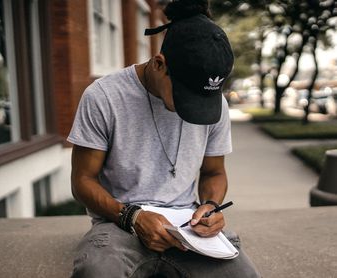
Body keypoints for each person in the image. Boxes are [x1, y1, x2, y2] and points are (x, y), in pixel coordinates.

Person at [68, 0, 260, 277]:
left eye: (204, 97)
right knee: (97, 272)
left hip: (187, 227)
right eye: (186, 96)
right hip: (119, 222)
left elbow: (214, 172)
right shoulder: (104, 97)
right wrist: (132, 216)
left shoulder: (217, 105)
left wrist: (210, 206)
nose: (196, 107)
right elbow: (82, 181)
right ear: (160, 64)